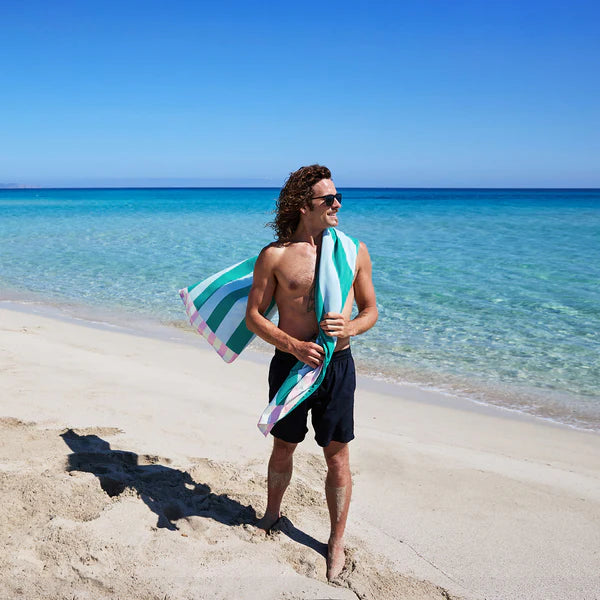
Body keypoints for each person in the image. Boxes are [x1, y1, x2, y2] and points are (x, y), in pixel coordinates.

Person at [245, 164, 378, 580]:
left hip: (337, 366)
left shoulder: (354, 251)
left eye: (339, 197)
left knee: (337, 456)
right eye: (329, 199)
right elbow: (254, 317)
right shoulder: (276, 256)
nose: (338, 204)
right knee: (283, 446)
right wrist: (294, 346)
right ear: (306, 206)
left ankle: (335, 542)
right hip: (291, 363)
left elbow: (372, 310)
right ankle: (271, 516)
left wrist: (351, 327)